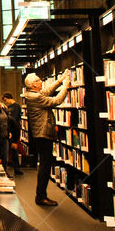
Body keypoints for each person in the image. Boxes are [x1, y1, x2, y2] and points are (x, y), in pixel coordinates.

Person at [23, 71, 70, 206]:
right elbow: (56, 101)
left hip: (40, 134)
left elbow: (47, 91)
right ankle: (41, 196)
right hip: (43, 134)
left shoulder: (33, 94)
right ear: (33, 85)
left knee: (45, 163)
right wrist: (65, 87)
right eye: (38, 81)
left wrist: (60, 80)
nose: (41, 82)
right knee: (45, 165)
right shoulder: (35, 97)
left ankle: (41, 195)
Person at [2, 92, 24, 176]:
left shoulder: (16, 106)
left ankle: (17, 168)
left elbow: (13, 119)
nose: (5, 102)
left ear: (9, 98)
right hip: (9, 130)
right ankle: (15, 167)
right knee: (11, 150)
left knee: (14, 149)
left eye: (5, 100)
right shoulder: (9, 107)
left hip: (14, 130)